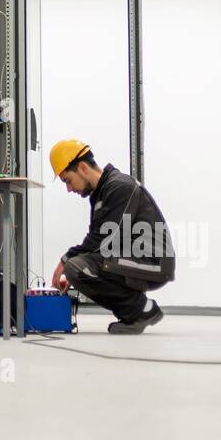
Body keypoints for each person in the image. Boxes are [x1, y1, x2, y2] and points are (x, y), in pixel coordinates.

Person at [48, 139, 175, 335]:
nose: (69, 189)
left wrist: (67, 261)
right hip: (133, 257)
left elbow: (103, 242)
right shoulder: (102, 192)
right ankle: (136, 311)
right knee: (78, 265)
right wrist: (70, 261)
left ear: (82, 167)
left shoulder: (119, 187)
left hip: (154, 261)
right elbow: (97, 239)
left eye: (68, 180)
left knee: (76, 267)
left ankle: (142, 310)